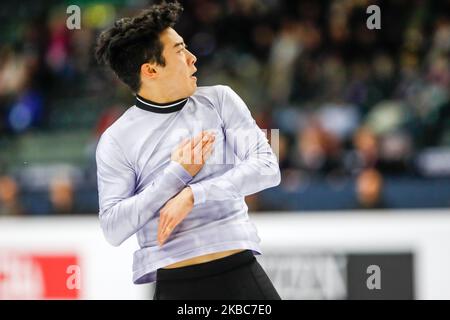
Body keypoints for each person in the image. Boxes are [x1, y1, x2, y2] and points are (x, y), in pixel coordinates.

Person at [95, 2, 281, 300]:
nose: (193, 59)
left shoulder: (220, 100)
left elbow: (267, 168)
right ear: (151, 69)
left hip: (239, 270)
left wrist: (194, 194)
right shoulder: (116, 139)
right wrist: (176, 176)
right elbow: (113, 228)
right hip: (176, 283)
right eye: (180, 51)